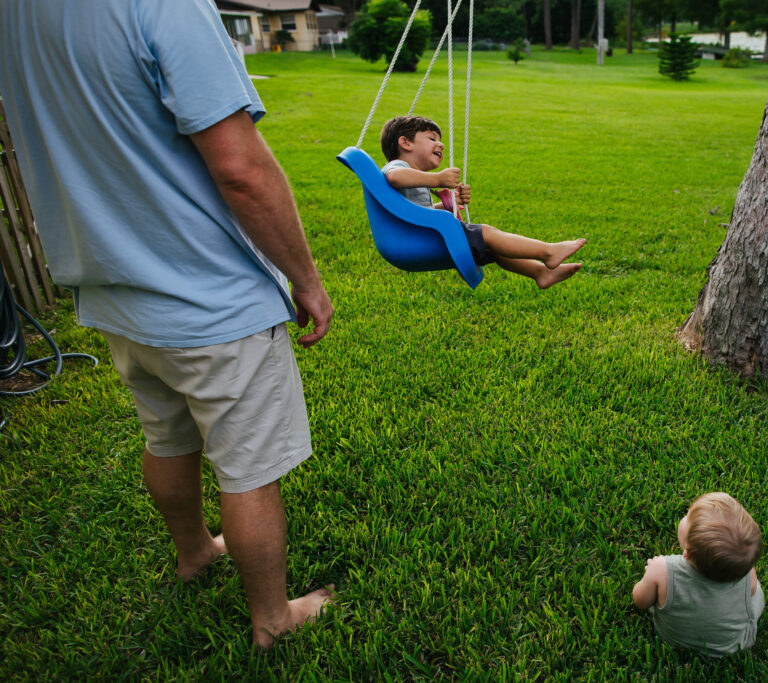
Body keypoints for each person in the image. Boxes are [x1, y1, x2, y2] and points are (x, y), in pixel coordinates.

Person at [0, 0, 334, 648]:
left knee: (166, 437)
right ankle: (272, 617)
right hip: (210, 296)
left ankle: (193, 552)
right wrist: (306, 279)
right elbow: (240, 168)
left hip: (113, 289)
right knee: (249, 471)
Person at [380, 115, 587, 289]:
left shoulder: (414, 176)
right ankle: (547, 252)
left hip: (422, 235)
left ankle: (540, 273)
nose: (440, 144)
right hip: (419, 240)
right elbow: (393, 176)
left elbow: (412, 211)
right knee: (486, 233)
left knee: (493, 248)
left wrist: (447, 205)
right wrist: (437, 179)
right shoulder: (398, 166)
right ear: (405, 142)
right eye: (431, 138)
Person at [632, 492, 765, 657]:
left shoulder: (663, 569)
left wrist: (651, 571)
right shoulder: (746, 574)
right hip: (731, 645)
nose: (685, 516)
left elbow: (640, 600)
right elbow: (751, 590)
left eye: (687, 516)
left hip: (673, 639)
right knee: (755, 591)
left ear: (687, 551)